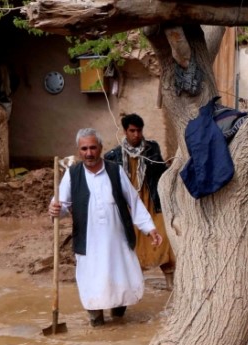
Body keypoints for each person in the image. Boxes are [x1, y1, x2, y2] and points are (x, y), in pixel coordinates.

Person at [49, 128, 162, 326]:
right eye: (84, 149)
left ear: (100, 148)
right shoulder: (72, 175)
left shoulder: (115, 170)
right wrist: (55, 209)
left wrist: (149, 228)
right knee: (92, 282)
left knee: (120, 282)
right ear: (79, 151)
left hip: (117, 241)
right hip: (88, 242)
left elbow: (134, 202)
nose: (89, 153)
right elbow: (62, 206)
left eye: (93, 148)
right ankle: (97, 322)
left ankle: (119, 321)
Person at [104, 113, 176, 289]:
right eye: (132, 131)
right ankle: (133, 286)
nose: (136, 134)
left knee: (163, 239)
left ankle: (170, 283)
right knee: (130, 244)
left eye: (139, 130)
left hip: (151, 202)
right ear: (125, 131)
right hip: (128, 205)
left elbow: (160, 172)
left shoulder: (152, 149)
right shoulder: (113, 155)